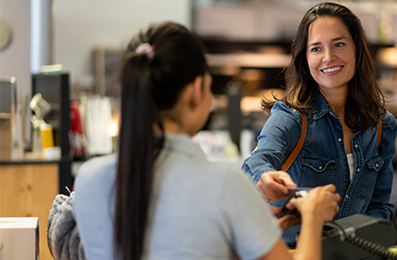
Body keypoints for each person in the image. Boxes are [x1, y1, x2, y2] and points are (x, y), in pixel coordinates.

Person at [73, 22, 340, 260]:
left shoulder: (88, 178)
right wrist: (314, 218)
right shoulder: (227, 186)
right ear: (195, 90)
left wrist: (256, 226)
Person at [241, 2, 397, 247]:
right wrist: (266, 178)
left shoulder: (382, 126)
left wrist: (357, 244)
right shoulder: (291, 116)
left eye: (339, 44)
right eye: (316, 48)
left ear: (357, 49)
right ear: (305, 58)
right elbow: (257, 162)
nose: (328, 57)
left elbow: (380, 207)